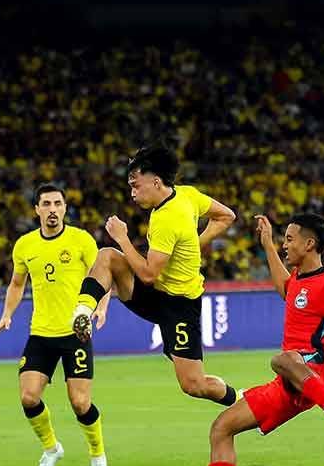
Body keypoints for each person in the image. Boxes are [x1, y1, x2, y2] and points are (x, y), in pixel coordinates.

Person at [179, 214, 324, 466]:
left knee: (281, 359)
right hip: (289, 380)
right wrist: (267, 244)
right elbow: (284, 287)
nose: (285, 244)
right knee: (221, 428)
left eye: (289, 239)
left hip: (314, 370)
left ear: (309, 243)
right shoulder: (299, 279)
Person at [71, 144, 238, 406]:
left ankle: (241, 399)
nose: (132, 193)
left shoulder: (167, 219)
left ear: (156, 182)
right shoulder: (188, 195)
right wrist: (193, 244)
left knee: (194, 385)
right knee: (107, 257)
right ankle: (81, 313)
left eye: (136, 186)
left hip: (179, 305)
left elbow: (148, 274)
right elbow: (226, 216)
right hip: (156, 293)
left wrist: (122, 238)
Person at [0, 184, 112, 466]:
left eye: (58, 203)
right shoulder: (25, 245)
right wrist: (7, 314)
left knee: (80, 403)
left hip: (75, 332)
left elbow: (102, 275)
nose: (53, 209)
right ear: (37, 209)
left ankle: (97, 454)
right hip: (41, 333)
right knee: (28, 397)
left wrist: (101, 307)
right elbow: (16, 284)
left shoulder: (81, 239)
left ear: (65, 208)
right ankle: (51, 448)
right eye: (46, 204)